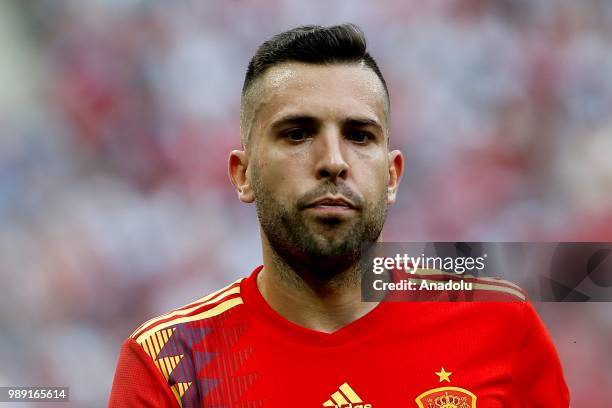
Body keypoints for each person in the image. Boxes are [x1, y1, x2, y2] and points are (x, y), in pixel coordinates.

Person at [109, 24, 569, 407]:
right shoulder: (170, 365)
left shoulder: (501, 324)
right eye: (297, 133)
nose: (333, 160)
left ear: (392, 177)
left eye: (360, 135)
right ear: (242, 174)